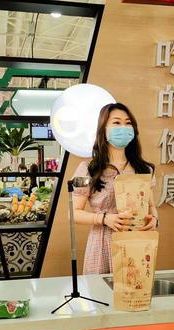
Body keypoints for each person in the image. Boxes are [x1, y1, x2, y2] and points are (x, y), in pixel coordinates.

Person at [72, 102, 158, 275]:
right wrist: (104, 218)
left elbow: (150, 206)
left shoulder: (144, 169)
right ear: (103, 129)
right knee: (100, 291)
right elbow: (73, 213)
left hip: (135, 243)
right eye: (117, 122)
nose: (124, 128)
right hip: (102, 244)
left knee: (133, 288)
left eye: (128, 123)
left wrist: (154, 219)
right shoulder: (88, 169)